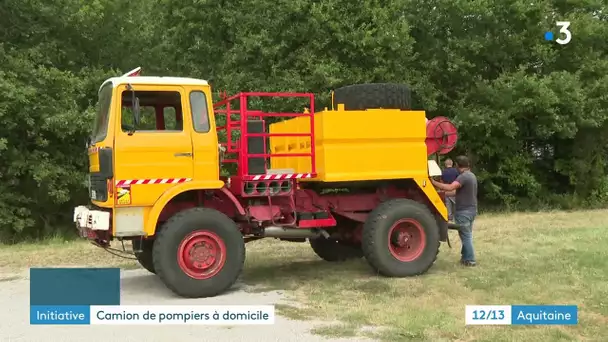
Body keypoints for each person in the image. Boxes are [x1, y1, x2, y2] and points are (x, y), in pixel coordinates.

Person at [431, 155, 478, 267]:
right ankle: (465, 258)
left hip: (464, 211)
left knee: (465, 235)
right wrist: (438, 194)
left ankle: (470, 260)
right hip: (472, 210)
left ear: (457, 165)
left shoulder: (463, 177)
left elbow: (450, 187)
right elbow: (455, 192)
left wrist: (433, 182)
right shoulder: (471, 176)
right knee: (467, 234)